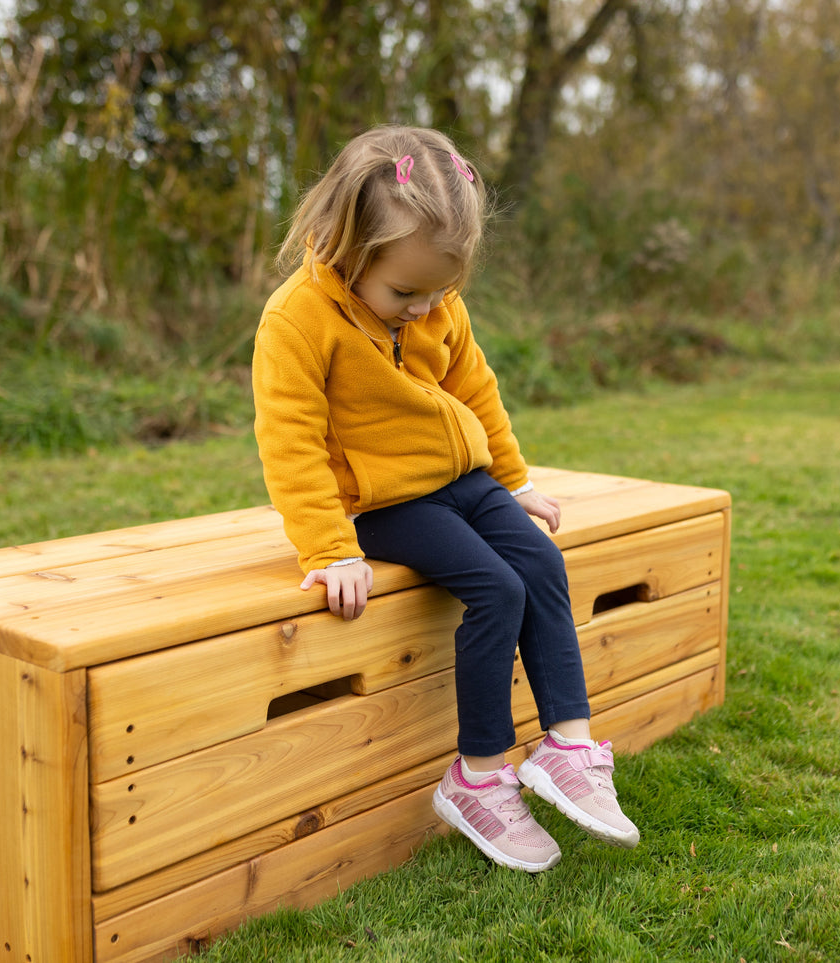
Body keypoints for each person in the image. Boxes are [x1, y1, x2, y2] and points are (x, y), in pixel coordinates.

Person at [251, 125, 638, 873]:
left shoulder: (435, 305)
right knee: (495, 587)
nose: (423, 308)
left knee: (539, 563)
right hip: (385, 503)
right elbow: (289, 440)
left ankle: (565, 745)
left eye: (440, 291)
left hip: (464, 479)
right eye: (405, 291)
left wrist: (515, 478)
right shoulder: (297, 318)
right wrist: (330, 549)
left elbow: (474, 388)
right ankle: (479, 774)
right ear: (346, 242)